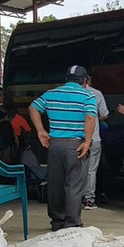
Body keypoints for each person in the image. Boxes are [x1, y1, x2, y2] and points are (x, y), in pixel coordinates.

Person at [29, 65, 96, 231]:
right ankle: (72, 224)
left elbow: (33, 107)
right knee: (74, 185)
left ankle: (57, 222)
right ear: (85, 81)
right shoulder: (88, 95)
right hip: (76, 144)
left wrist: (40, 131)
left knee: (55, 184)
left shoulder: (51, 94)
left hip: (55, 144)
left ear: (66, 79)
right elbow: (89, 117)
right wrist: (87, 141)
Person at [83, 76, 109, 210]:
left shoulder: (66, 92)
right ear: (87, 80)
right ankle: (89, 200)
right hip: (93, 138)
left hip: (75, 139)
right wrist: (94, 118)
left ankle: (75, 199)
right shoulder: (96, 93)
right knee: (91, 170)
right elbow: (105, 114)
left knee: (75, 169)